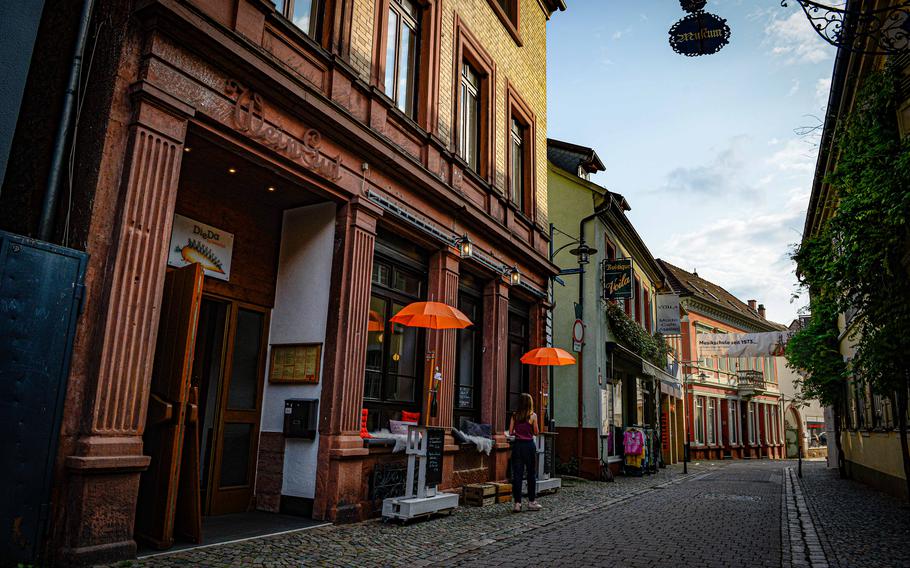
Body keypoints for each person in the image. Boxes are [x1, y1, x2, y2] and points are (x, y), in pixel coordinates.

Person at [508, 393, 541, 512]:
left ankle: (517, 503)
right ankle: (531, 502)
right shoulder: (533, 416)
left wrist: (518, 432)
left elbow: (511, 432)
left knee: (517, 475)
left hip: (517, 446)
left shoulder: (514, 416)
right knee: (531, 474)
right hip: (529, 446)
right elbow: (536, 432)